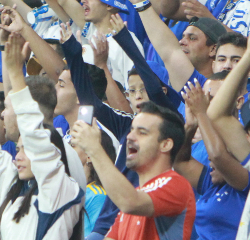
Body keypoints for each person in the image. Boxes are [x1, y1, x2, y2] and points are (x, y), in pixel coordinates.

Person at [0, 31, 82, 240]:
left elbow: (36, 140)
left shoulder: (57, 182)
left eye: (9, 108)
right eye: (19, 149)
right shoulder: (16, 184)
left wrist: (16, 75)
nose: (2, 114)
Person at [71, 101, 195, 240]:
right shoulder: (130, 202)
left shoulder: (176, 184)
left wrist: (94, 148)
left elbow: (130, 202)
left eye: (142, 132)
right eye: (131, 130)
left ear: (165, 144)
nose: (129, 137)